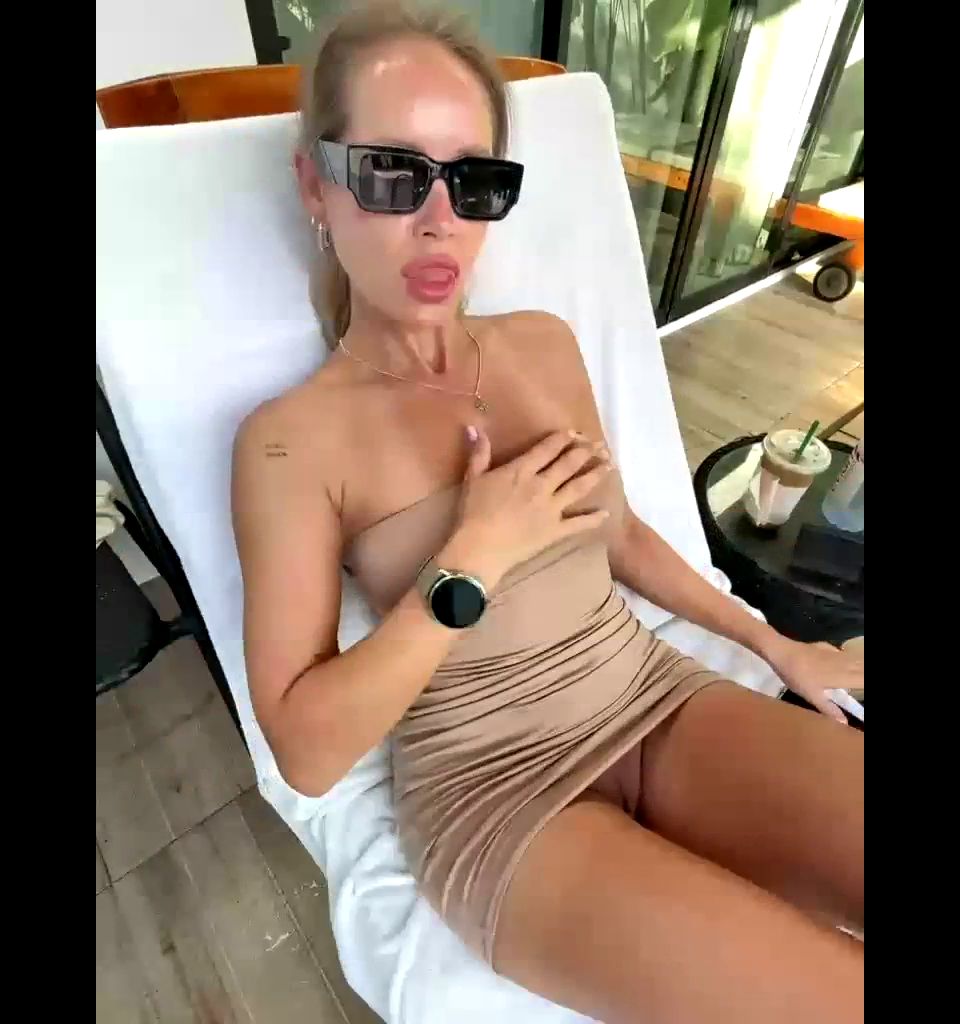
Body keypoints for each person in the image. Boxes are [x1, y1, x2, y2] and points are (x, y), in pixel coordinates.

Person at [231, 4, 864, 1022]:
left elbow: (620, 534)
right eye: (391, 174)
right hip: (497, 794)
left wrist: (776, 643)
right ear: (316, 184)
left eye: (473, 181)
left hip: (649, 692)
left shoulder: (542, 342)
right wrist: (473, 557)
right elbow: (306, 751)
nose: (440, 222)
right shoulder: (288, 442)